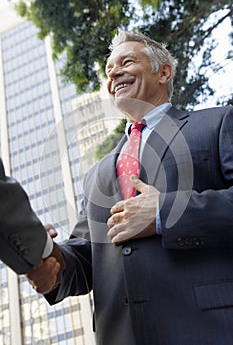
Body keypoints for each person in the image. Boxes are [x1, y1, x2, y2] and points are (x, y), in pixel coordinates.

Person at [27, 30, 233, 345]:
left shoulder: (217, 124)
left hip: (209, 329)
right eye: (109, 72)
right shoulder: (96, 175)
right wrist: (52, 262)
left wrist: (165, 213)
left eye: (127, 62)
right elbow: (86, 257)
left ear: (164, 72)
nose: (115, 74)